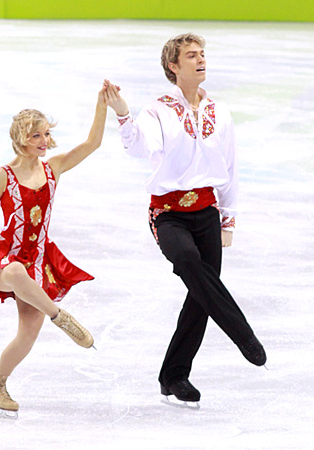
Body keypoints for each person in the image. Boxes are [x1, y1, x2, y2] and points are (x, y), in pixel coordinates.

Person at [104, 33, 266, 403]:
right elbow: (138, 148)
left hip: (207, 212)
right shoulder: (157, 110)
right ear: (173, 67)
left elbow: (230, 168)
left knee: (200, 294)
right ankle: (241, 332)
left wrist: (228, 219)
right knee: (190, 263)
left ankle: (174, 376)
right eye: (191, 55)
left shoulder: (219, 112)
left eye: (202, 53)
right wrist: (123, 113)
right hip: (169, 214)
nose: (200, 59)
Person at [0, 83, 109, 415]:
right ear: (20, 139)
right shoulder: (3, 176)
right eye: (36, 137)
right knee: (15, 271)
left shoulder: (52, 168)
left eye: (46, 135)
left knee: (26, 336)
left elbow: (93, 144)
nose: (44, 142)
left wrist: (102, 105)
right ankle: (62, 318)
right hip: (6, 259)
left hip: (40, 263)